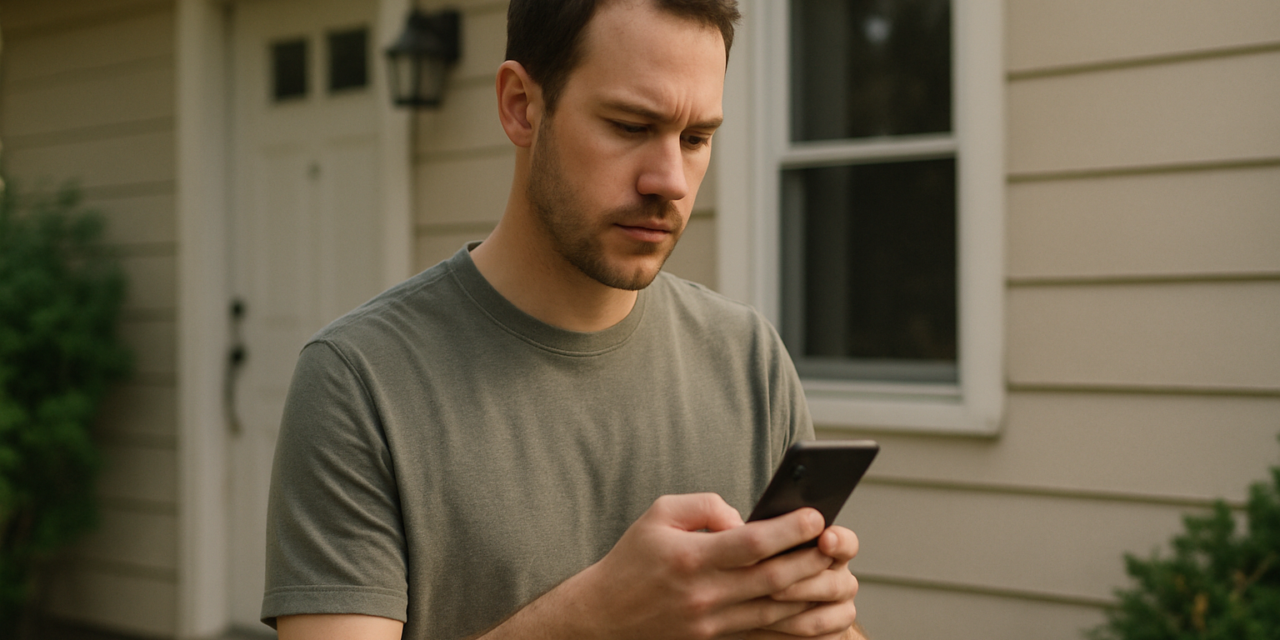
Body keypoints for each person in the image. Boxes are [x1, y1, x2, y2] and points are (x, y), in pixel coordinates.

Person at [261, 0, 866, 638]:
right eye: (631, 125)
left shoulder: (750, 362)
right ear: (521, 104)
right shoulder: (359, 381)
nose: (671, 181)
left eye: (695, 139)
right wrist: (601, 614)